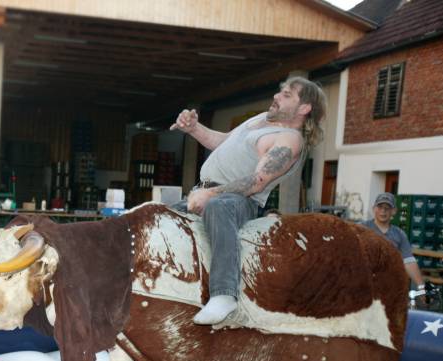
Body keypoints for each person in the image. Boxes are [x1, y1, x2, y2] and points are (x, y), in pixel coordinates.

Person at [171, 76, 327, 325]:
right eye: (280, 92)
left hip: (239, 200)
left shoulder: (290, 140)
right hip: (202, 191)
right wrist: (193, 129)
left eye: (287, 95)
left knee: (219, 206)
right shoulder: (260, 120)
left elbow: (257, 182)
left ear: (305, 108)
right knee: (159, 213)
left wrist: (211, 194)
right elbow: (222, 142)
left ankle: (224, 295)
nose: (276, 96)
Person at [361, 192, 426, 290]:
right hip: (364, 283)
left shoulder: (399, 234)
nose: (383, 211)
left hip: (389, 285)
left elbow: (409, 261)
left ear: (394, 211)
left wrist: (421, 286)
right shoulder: (361, 228)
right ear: (374, 209)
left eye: (387, 208)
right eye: (380, 207)